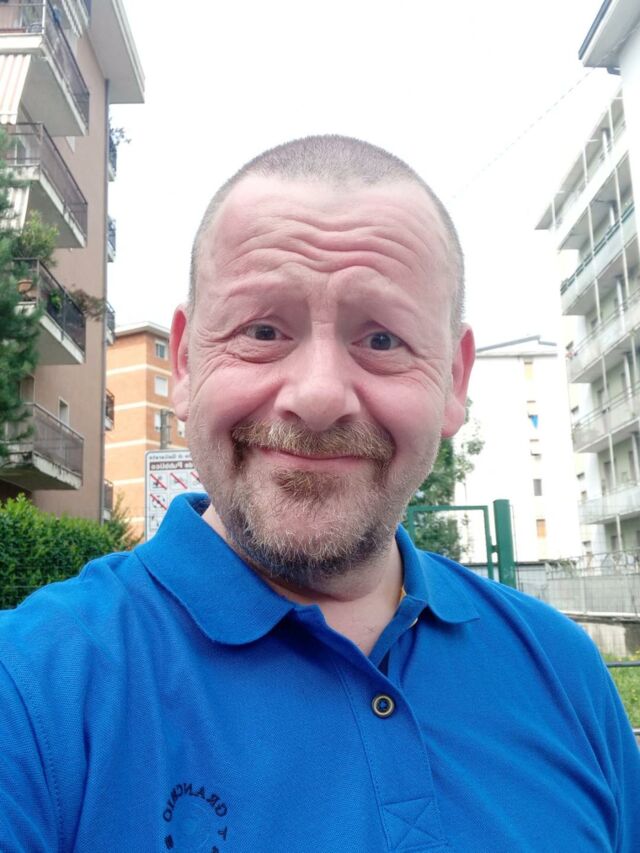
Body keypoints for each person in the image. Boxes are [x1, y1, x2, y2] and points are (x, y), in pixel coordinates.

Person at [0, 135, 638, 852]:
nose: (319, 396)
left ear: (455, 382)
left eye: (383, 340)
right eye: (263, 330)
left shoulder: (563, 670)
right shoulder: (29, 695)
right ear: (184, 363)